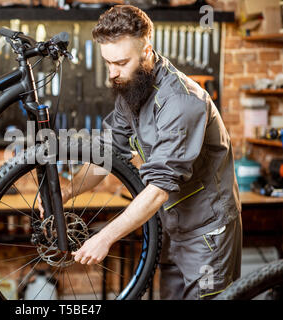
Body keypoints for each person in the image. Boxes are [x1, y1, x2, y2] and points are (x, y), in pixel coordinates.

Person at [39, 5, 242, 300]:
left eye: (121, 62)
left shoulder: (182, 103)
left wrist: (104, 238)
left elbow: (159, 187)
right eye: (108, 63)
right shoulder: (133, 88)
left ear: (147, 50)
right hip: (171, 225)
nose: (113, 73)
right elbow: (109, 154)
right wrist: (68, 191)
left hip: (206, 234)